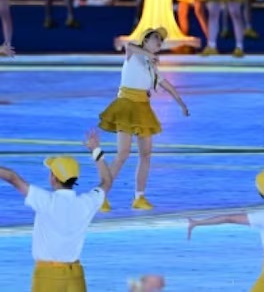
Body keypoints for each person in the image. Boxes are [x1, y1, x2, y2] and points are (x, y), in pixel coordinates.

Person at [0, 128, 113, 291]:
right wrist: (96, 151)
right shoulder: (86, 202)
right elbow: (106, 181)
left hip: (48, 276)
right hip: (76, 277)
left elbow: (12, 177)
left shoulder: (45, 201)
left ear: (53, 178)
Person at [98, 27, 189, 211]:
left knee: (146, 154)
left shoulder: (151, 66)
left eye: (161, 40)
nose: (159, 42)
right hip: (126, 105)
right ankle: (101, 196)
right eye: (156, 38)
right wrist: (148, 54)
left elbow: (166, 85)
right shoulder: (134, 55)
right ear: (145, 41)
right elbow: (129, 46)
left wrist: (181, 103)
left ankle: (139, 197)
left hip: (143, 108)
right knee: (123, 154)